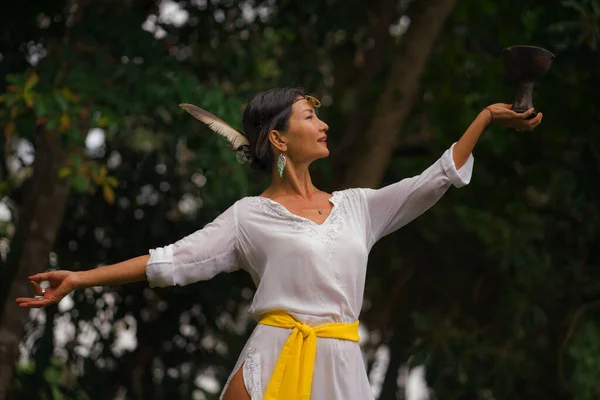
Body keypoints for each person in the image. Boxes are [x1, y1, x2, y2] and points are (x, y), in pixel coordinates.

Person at [16, 87, 543, 400]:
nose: (325, 123)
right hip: (270, 364)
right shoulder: (249, 218)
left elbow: (433, 179)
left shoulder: (358, 206)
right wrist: (81, 277)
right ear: (278, 138)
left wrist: (486, 119)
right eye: (311, 116)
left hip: (340, 371)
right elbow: (169, 262)